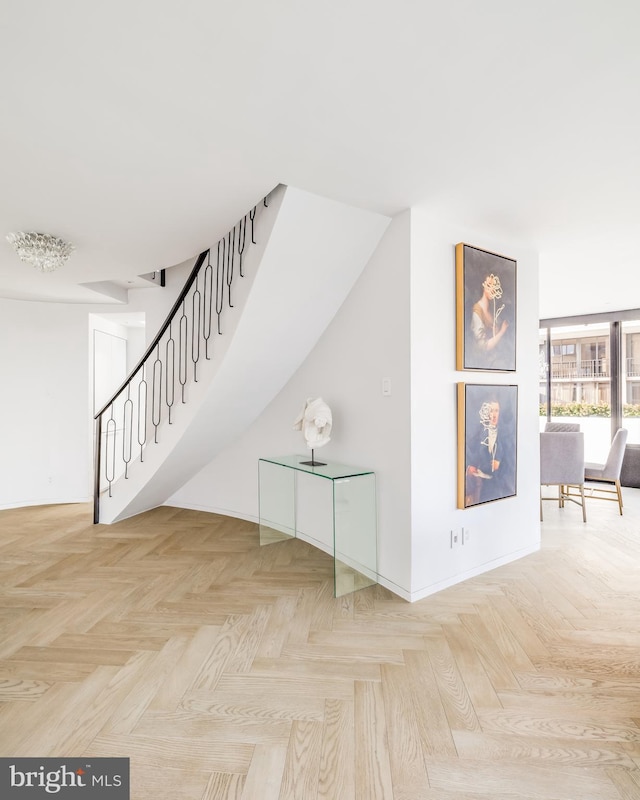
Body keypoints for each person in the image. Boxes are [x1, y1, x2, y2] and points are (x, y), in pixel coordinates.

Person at [465, 399, 514, 506]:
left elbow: (512, 461)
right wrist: (469, 467)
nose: (494, 415)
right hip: (482, 481)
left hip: (500, 481)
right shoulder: (479, 431)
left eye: (496, 411)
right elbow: (468, 449)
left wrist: (499, 463)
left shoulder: (506, 433)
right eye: (491, 411)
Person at [471, 273, 509, 357]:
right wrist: (502, 331)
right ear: (484, 286)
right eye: (489, 285)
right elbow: (484, 347)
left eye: (494, 286)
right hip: (482, 358)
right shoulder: (477, 311)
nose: (492, 289)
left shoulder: (493, 309)